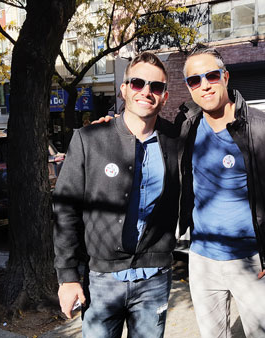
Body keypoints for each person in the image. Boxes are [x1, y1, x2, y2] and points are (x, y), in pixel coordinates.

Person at [176, 45, 265, 338]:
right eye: (194, 80)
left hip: (252, 261)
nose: (204, 85)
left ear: (225, 76)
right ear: (189, 88)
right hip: (202, 260)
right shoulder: (186, 128)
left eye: (211, 76)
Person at [52, 52, 180, 338]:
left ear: (165, 96)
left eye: (155, 87)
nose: (146, 91)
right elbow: (66, 210)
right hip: (101, 280)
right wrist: (68, 276)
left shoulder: (175, 142)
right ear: (124, 89)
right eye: (137, 83)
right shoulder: (90, 139)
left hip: (154, 278)